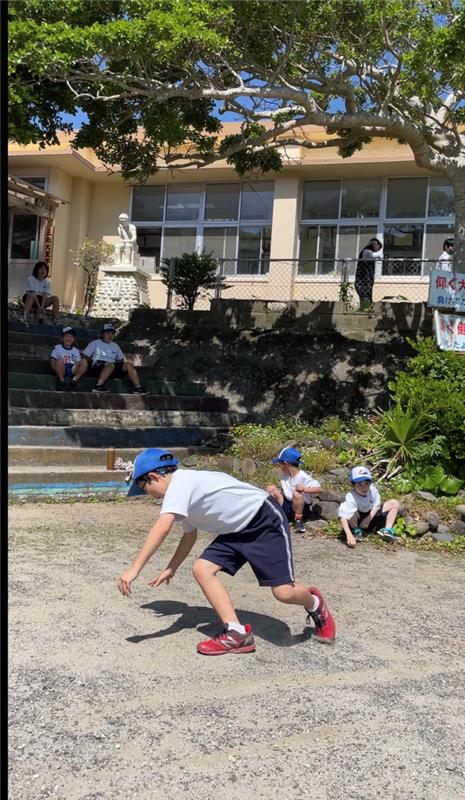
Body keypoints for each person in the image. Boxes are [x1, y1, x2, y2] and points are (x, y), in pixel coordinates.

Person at [117, 448, 336, 655]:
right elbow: (189, 536)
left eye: (144, 488)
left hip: (262, 519)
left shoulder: (181, 483)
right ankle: (236, 633)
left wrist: (134, 569)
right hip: (234, 530)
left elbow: (162, 527)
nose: (147, 494)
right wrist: (171, 568)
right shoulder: (180, 494)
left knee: (284, 593)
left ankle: (314, 604)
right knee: (202, 569)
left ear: (153, 477)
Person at [338, 466, 400, 548]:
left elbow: (376, 505)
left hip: (371, 515)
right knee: (350, 512)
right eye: (359, 484)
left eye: (366, 483)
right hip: (358, 519)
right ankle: (356, 530)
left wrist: (368, 519)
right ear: (353, 485)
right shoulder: (351, 496)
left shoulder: (372, 490)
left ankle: (387, 530)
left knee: (394, 503)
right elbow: (343, 517)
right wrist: (349, 536)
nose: (364, 487)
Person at [265, 447, 321, 534]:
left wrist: (304, 489)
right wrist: (280, 492)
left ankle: (298, 520)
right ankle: (277, 513)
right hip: (288, 505)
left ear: (285, 464)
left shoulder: (303, 476)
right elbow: (286, 490)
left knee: (297, 494)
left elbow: (318, 489)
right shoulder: (286, 475)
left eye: (280, 464)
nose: (279, 467)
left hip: (301, 507)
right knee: (271, 488)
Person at [82, 323, 148, 394]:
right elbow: (84, 355)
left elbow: (121, 359)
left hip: (112, 367)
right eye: (108, 333)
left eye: (112, 334)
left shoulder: (115, 345)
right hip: (98, 366)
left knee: (128, 365)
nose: (110, 336)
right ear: (102, 334)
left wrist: (117, 364)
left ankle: (138, 387)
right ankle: (99, 385)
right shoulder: (95, 343)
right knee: (110, 365)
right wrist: (92, 361)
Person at [49, 326, 88, 391]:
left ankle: (74, 380)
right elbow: (52, 361)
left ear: (74, 339)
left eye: (71, 337)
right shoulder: (57, 348)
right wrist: (56, 370)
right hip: (62, 368)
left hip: (72, 368)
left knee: (84, 361)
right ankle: (62, 381)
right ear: (61, 338)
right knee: (59, 360)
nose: (69, 338)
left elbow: (78, 362)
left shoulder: (75, 350)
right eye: (66, 336)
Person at [354, 238, 383, 306]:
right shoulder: (366, 251)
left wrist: (379, 251)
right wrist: (377, 247)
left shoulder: (373, 252)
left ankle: (367, 306)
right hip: (362, 276)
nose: (378, 249)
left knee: (368, 291)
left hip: (369, 276)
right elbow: (376, 255)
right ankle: (366, 306)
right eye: (378, 247)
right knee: (362, 291)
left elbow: (380, 257)